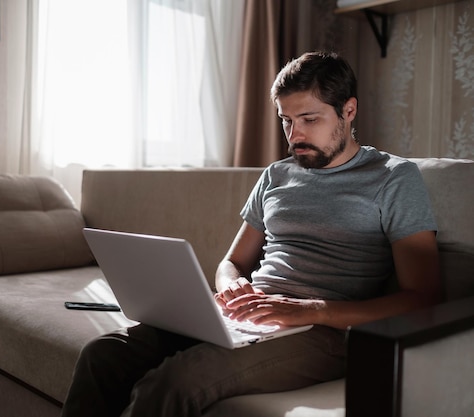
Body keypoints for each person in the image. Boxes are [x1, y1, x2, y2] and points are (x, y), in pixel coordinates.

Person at [61, 51, 440, 417]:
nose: (295, 135)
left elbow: (423, 298)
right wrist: (232, 286)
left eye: (309, 119)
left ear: (349, 110)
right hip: (251, 315)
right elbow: (232, 262)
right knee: (104, 354)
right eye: (286, 121)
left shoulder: (393, 177)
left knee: (173, 383)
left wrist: (312, 309)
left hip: (325, 331)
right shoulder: (276, 175)